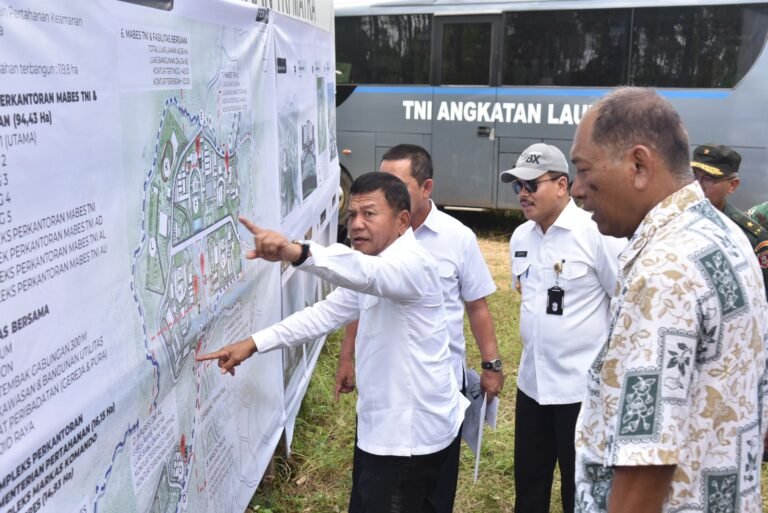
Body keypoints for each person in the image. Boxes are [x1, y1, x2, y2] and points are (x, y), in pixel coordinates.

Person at [197, 172, 469, 513]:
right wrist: (253, 343)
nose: (356, 224)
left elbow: (362, 272)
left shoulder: (413, 265)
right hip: (393, 433)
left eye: (369, 214)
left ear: (402, 221)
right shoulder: (380, 263)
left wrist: (295, 251)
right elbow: (324, 313)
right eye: (352, 214)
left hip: (406, 443)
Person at [569, 87, 768, 512]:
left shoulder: (665, 271)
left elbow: (646, 458)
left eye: (584, 170)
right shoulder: (726, 235)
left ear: (639, 165)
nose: (576, 190)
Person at [335, 144, 503, 513]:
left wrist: (491, 365)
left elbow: (476, 305)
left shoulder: (456, 237)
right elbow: (356, 301)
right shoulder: (374, 237)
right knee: (374, 482)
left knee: (433, 493)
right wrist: (347, 358)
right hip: (387, 385)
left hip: (441, 384)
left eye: (396, 183)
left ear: (426, 188)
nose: (384, 190)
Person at [499, 143, 624, 513]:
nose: (523, 193)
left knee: (579, 491)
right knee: (529, 488)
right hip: (533, 385)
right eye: (517, 186)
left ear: (561, 185)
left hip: (580, 391)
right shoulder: (521, 238)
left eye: (531, 185)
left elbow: (624, 302)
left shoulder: (596, 233)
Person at [690, 143, 768, 297]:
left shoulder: (751, 236)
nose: (697, 185)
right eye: (694, 176)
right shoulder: (667, 222)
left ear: (732, 185)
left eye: (709, 178)